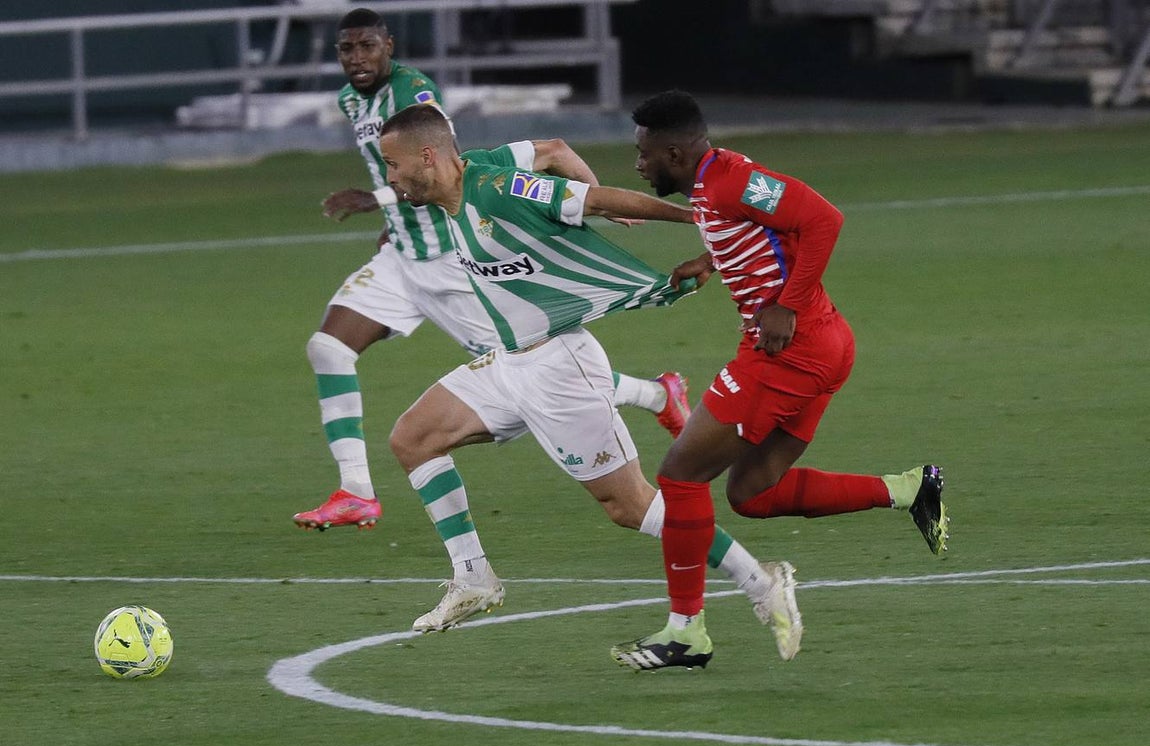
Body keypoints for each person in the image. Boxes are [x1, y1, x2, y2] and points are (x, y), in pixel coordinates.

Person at [334, 103, 803, 644]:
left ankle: (760, 580)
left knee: (629, 506)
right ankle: (473, 577)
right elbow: (551, 149)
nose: (390, 179)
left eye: (392, 166)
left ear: (427, 156)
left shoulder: (499, 190)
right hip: (509, 362)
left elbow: (594, 201)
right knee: (413, 438)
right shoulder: (468, 172)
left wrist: (697, 219)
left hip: (560, 366)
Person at [293, 8, 691, 532]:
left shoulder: (413, 92)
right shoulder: (350, 100)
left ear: (389, 45)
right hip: (402, 256)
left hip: (453, 259)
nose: (358, 58)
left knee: (526, 366)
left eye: (368, 46)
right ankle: (356, 492)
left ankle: (657, 395)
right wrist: (394, 214)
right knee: (329, 347)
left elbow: (443, 162)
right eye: (347, 49)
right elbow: (405, 169)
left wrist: (378, 197)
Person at [610, 90, 951, 671]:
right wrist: (711, 262)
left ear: (673, 150)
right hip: (821, 345)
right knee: (752, 494)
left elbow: (822, 219)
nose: (639, 165)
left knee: (679, 476)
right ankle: (907, 489)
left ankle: (686, 632)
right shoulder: (719, 179)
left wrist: (785, 305)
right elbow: (758, 232)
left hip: (787, 352)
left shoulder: (731, 182)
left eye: (644, 154)